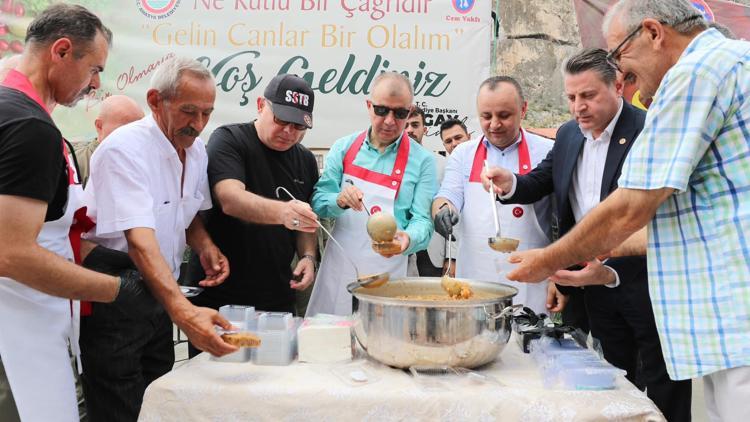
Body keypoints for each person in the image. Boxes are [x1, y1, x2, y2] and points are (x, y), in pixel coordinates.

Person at [496, 1, 750, 420]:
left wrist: (548, 259)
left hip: (731, 318)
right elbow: (689, 221)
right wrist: (586, 260)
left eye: (619, 55)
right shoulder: (729, 62)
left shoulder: (695, 73)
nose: (622, 73)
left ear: (653, 33)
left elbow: (628, 208)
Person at [486, 49, 691, 420]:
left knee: (662, 384)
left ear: (618, 86)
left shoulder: (649, 132)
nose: (578, 107)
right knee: (607, 379)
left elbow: (660, 215)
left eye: (588, 96)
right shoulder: (567, 135)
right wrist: (511, 183)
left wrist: (611, 267)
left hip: (647, 283)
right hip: (587, 282)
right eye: (571, 97)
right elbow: (543, 181)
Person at [0, 5, 153, 421]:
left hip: (36, 321)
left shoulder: (18, 112)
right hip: (21, 326)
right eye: (94, 70)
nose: (96, 83)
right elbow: (10, 254)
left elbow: (51, 231)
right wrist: (115, 291)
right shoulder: (28, 127)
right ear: (62, 51)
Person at [80, 56, 235, 421]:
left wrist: (205, 246)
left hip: (159, 290)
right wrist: (184, 313)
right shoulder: (124, 149)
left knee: (157, 398)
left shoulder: (196, 151)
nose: (198, 124)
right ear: (155, 101)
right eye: (188, 111)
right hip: (114, 294)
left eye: (207, 113)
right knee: (120, 408)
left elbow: (188, 211)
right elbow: (139, 241)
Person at [186, 73, 319, 355]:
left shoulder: (305, 160)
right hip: (221, 293)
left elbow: (306, 221)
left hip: (277, 295)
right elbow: (230, 198)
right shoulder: (229, 139)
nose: (288, 131)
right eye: (281, 120)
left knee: (274, 380)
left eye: (298, 126)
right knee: (213, 382)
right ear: (261, 105)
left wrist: (308, 256)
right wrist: (284, 212)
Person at [308, 72, 437, 316]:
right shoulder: (344, 147)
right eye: (381, 110)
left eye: (399, 113)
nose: (389, 121)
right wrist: (339, 200)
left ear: (409, 113)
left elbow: (423, 222)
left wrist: (407, 240)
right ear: (369, 106)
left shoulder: (423, 162)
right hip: (340, 269)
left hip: (388, 274)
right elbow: (318, 201)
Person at [432, 76, 561, 315]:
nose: (494, 125)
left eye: (504, 115)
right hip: (474, 281)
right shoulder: (463, 153)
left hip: (531, 285)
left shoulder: (547, 151)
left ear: (523, 109)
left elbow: (562, 219)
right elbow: (447, 194)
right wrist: (443, 211)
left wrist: (558, 276)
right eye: (486, 116)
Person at [74, 95, 145, 187]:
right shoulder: (76, 165)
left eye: (139, 129)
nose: (133, 135)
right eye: (125, 128)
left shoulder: (147, 161)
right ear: (99, 126)